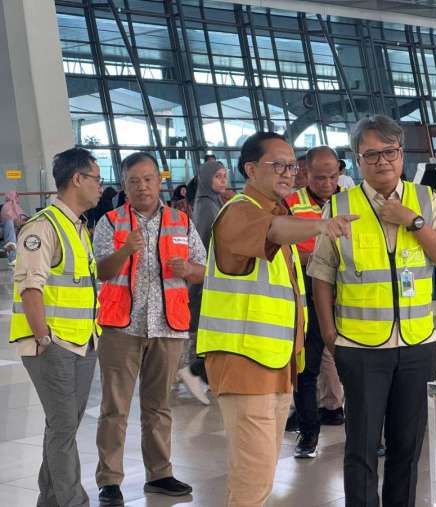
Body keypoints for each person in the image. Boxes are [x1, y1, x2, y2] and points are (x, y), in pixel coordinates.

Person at [309, 115, 436, 506]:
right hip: (360, 348)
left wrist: (412, 222)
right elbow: (322, 274)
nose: (382, 162)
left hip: (417, 346)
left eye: (389, 152)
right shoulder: (340, 206)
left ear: (401, 154)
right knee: (360, 448)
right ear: (358, 160)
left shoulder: (425, 200)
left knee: (406, 448)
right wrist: (330, 335)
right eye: (371, 154)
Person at [196, 132, 356, 507]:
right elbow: (273, 233)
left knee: (258, 475)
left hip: (275, 361)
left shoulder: (276, 210)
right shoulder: (239, 211)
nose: (289, 173)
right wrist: (320, 226)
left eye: (291, 165)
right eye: (278, 165)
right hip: (245, 362)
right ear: (250, 169)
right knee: (253, 478)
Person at [93, 152, 206, 506]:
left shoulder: (182, 222)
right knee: (115, 407)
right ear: (124, 186)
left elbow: (204, 270)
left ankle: (160, 474)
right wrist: (125, 250)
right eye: (133, 181)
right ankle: (109, 479)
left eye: (147, 179)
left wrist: (187, 269)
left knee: (159, 407)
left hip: (168, 327)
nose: (141, 186)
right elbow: (102, 271)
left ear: (160, 182)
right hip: (121, 327)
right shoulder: (109, 223)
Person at [9, 147, 102, 506]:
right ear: (77, 179)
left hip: (81, 342)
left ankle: (49, 499)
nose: (100, 186)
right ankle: (72, 501)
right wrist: (44, 337)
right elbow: (30, 287)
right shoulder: (43, 226)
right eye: (95, 178)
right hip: (54, 345)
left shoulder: (77, 227)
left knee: (62, 427)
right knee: (63, 427)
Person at [284, 145, 343, 458]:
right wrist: (313, 259)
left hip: (344, 293)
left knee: (356, 366)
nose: (327, 183)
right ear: (305, 173)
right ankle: (308, 434)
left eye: (333, 176)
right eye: (320, 177)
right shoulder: (291, 203)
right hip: (305, 295)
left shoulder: (348, 202)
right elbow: (285, 251)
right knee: (306, 368)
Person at [177, 160, 231, 404]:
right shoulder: (208, 206)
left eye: (224, 175)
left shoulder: (210, 202)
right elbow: (206, 243)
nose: (222, 180)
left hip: (210, 275)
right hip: (209, 277)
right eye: (217, 177)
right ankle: (195, 372)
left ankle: (199, 374)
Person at [1, 190, 26, 266]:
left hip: (11, 230)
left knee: (11, 240)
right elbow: (11, 219)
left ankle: (8, 248)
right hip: (6, 229)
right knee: (9, 223)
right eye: (17, 196)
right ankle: (12, 258)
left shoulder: (15, 206)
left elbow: (20, 218)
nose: (18, 198)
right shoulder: (8, 206)